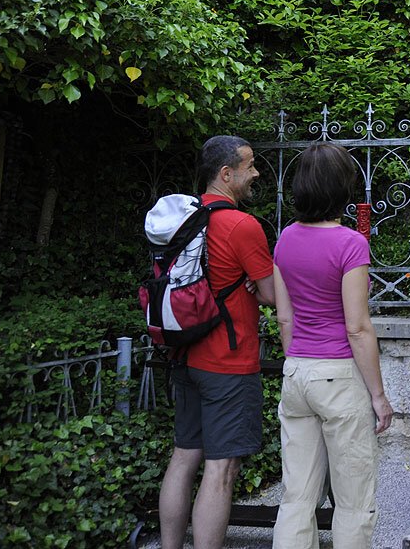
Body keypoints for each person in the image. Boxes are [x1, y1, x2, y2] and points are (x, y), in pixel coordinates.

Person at [272, 142, 393, 548]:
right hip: (339, 376)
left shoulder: (285, 239)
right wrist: (378, 395)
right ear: (343, 187)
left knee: (296, 497)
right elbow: (357, 328)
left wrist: (298, 360)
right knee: (353, 500)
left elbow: (284, 318)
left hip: (297, 372)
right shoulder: (350, 244)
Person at [158, 135, 276, 549]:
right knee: (221, 468)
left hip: (185, 354)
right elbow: (271, 294)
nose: (256, 172)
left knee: (183, 457)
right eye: (249, 165)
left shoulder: (183, 220)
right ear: (226, 174)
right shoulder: (242, 226)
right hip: (228, 360)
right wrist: (254, 283)